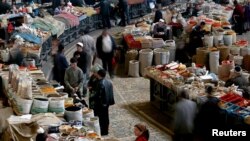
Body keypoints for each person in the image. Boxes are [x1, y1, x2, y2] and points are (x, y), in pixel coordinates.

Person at [94, 69, 115, 135]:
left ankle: (103, 131)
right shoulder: (109, 82)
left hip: (101, 104)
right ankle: (106, 130)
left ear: (99, 75)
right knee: (106, 117)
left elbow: (97, 95)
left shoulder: (100, 84)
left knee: (101, 118)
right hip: (107, 103)